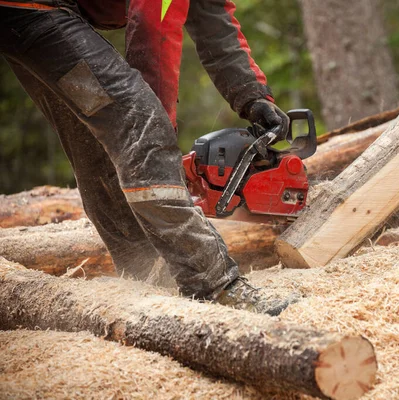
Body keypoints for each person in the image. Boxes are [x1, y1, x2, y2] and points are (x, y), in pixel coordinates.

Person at [0, 0, 292, 315]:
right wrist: (155, 131)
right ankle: (215, 286)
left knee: (96, 131)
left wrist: (252, 95)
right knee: (138, 121)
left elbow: (211, 15)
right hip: (32, 9)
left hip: (31, 14)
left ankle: (144, 277)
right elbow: (153, 27)